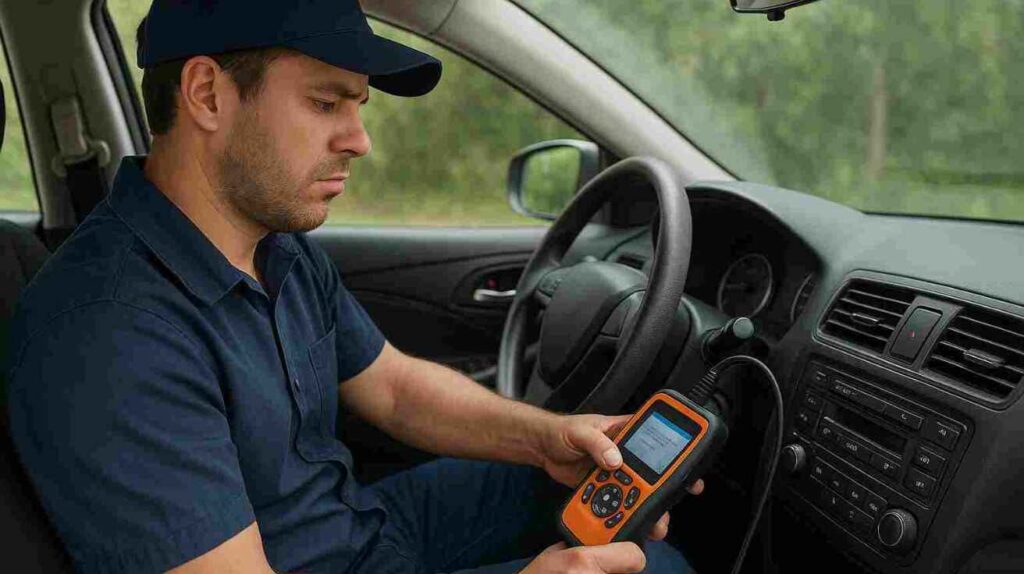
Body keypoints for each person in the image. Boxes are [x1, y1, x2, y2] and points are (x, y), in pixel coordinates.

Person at [5, 1, 702, 572]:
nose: (359, 139)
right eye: (327, 102)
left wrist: (547, 438)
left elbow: (394, 388)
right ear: (208, 95)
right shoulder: (107, 337)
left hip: (363, 530)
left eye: (358, 105)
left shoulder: (276, 246)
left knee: (616, 499)